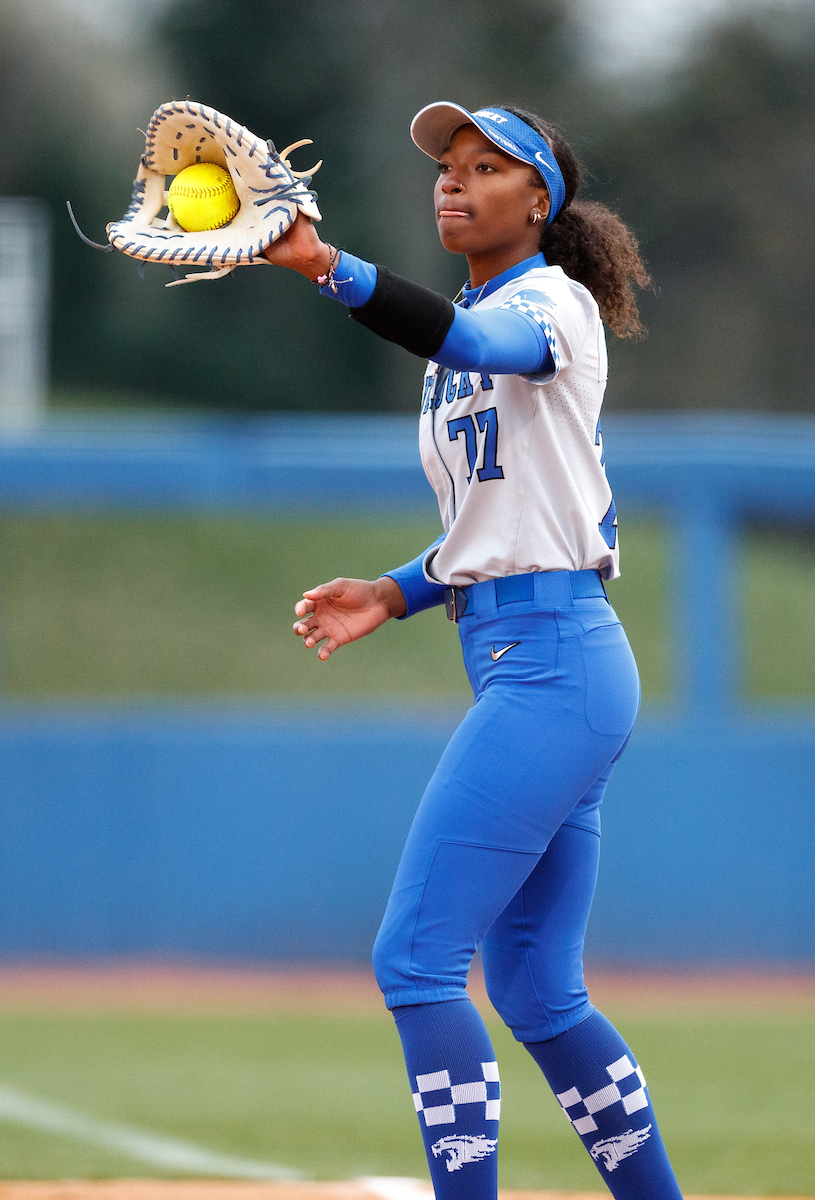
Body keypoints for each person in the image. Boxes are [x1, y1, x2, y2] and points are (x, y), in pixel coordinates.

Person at [264, 102, 681, 1200]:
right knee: (538, 994)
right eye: (449, 166)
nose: (454, 180)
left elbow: (471, 344)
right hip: (538, 660)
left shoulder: (549, 304)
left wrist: (326, 267)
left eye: (487, 166)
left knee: (415, 961)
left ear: (539, 200)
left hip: (555, 665)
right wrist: (395, 592)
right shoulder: (471, 321)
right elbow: (505, 523)